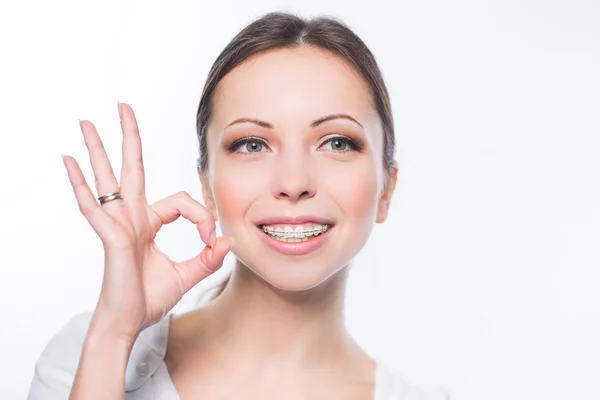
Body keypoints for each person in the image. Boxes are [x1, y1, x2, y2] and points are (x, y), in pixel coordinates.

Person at [28, 11, 448, 400]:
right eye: (252, 144)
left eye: (337, 142)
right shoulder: (89, 357)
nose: (294, 182)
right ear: (207, 189)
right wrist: (114, 333)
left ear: (386, 190)